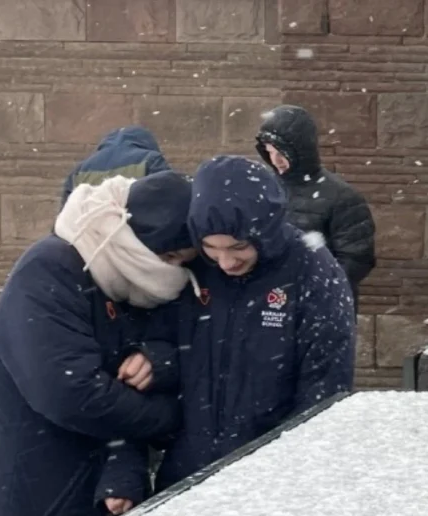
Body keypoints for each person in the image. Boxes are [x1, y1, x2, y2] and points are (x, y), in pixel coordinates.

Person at [0, 171, 198, 516]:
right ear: (144, 246)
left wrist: (159, 362)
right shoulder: (50, 270)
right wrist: (171, 418)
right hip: (36, 505)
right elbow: (73, 395)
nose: (175, 275)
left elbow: (177, 354)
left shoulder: (127, 282)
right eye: (173, 259)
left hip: (97, 500)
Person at [152, 155, 357, 491]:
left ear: (265, 230)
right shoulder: (192, 269)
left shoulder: (311, 270)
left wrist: (290, 472)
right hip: (187, 473)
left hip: (270, 478)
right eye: (211, 247)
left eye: (238, 247)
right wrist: (154, 360)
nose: (226, 262)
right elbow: (164, 339)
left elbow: (324, 386)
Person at [257, 105, 376, 310]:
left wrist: (312, 288)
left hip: (321, 309)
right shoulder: (263, 188)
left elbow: (357, 259)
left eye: (282, 152)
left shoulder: (341, 197)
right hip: (266, 306)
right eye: (270, 151)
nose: (276, 160)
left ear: (301, 149)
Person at [61, 126, 171, 207]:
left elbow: (64, 216)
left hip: (88, 235)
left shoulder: (80, 170)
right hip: (134, 234)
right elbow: (168, 200)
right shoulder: (151, 159)